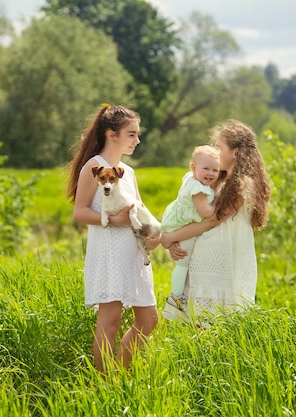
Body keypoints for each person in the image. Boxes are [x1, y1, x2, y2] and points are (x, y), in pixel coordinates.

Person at [66, 103, 160, 372]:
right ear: (112, 134)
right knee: (111, 320)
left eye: (137, 134)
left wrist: (153, 235)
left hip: (134, 252)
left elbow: (140, 210)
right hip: (108, 250)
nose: (137, 140)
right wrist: (115, 221)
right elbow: (80, 212)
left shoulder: (127, 172)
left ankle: (117, 374)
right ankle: (105, 386)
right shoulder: (94, 167)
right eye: (132, 134)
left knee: (149, 319)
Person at [161, 119, 270, 324]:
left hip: (223, 261)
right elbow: (189, 213)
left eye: (219, 147)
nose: (214, 151)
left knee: (217, 323)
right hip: (203, 257)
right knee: (200, 323)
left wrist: (169, 237)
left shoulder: (242, 185)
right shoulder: (212, 179)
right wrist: (175, 241)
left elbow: (213, 221)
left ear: (235, 152)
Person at [160, 145, 220, 321]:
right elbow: (206, 213)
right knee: (183, 263)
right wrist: (217, 204)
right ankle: (176, 296)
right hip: (179, 226)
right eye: (206, 168)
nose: (210, 173)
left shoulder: (191, 179)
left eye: (215, 170)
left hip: (176, 221)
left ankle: (178, 295)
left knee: (184, 259)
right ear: (193, 167)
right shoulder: (198, 190)